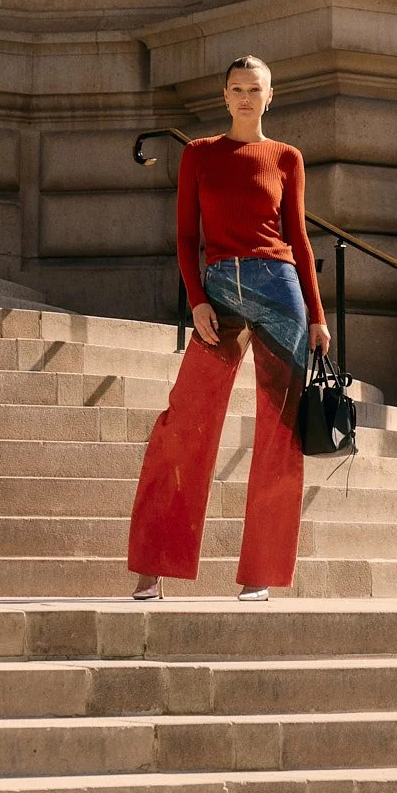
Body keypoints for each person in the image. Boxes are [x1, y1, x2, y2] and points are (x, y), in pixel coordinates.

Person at [127, 54, 331, 601]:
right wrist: (195, 301)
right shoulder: (198, 155)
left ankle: (259, 574)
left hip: (281, 291)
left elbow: (301, 240)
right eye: (236, 88)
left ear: (270, 96)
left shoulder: (287, 157)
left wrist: (316, 314)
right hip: (219, 293)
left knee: (279, 432)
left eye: (254, 89)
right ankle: (153, 567)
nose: (245, 97)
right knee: (185, 420)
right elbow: (184, 237)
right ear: (224, 96)